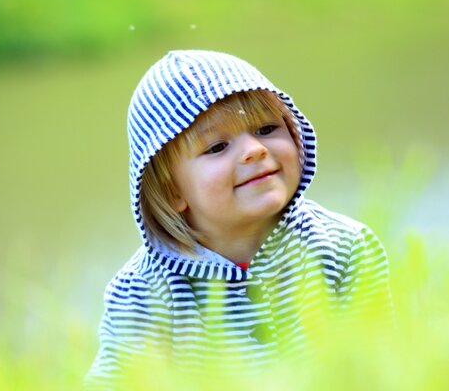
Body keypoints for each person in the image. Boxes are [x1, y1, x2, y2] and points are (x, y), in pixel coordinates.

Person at [85, 50, 393, 387]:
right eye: (217, 147)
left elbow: (381, 364)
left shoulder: (344, 246)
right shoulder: (146, 291)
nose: (254, 150)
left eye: (266, 128)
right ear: (173, 191)